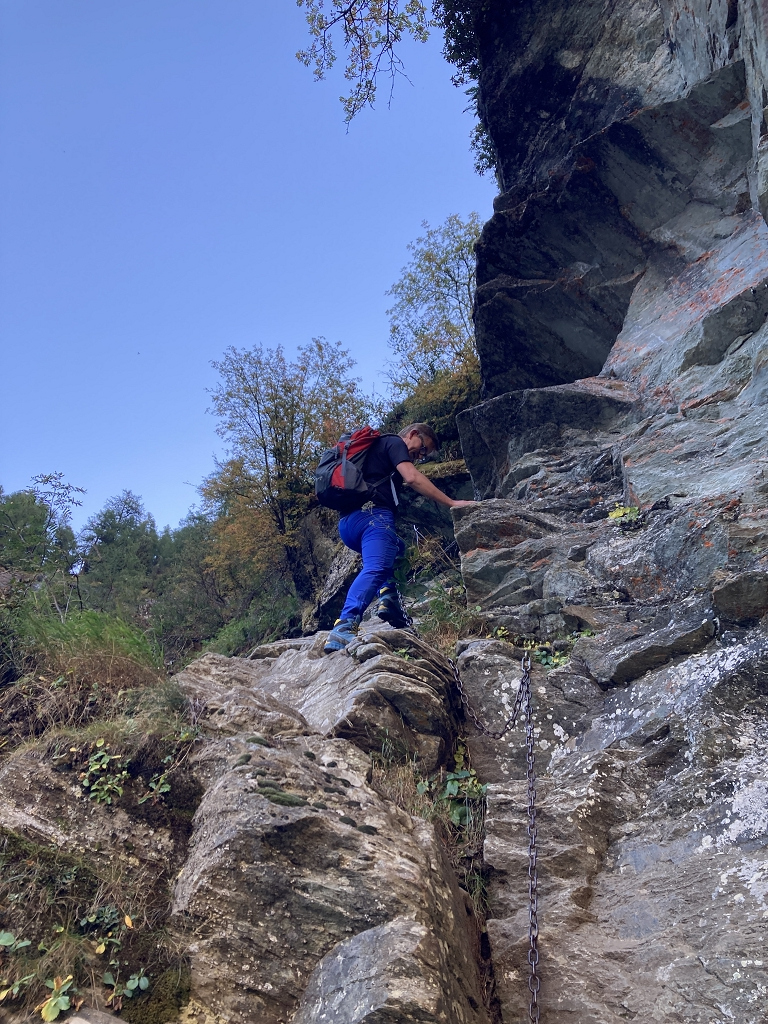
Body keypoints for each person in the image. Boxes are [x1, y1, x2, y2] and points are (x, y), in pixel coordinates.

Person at [324, 422, 476, 653]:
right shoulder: (394, 442)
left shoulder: (376, 450)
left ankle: (389, 599)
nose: (419, 456)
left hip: (348, 524)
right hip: (373, 516)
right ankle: (345, 624)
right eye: (423, 449)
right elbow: (412, 478)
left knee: (397, 547)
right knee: (376, 567)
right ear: (413, 434)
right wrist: (452, 502)